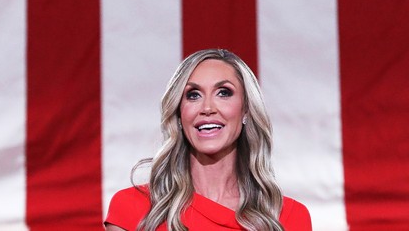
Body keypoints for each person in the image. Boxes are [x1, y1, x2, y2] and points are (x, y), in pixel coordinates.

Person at [105, 48, 312, 231]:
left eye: (224, 93)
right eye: (193, 95)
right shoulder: (132, 208)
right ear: (178, 113)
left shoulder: (287, 217)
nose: (207, 108)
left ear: (246, 110)